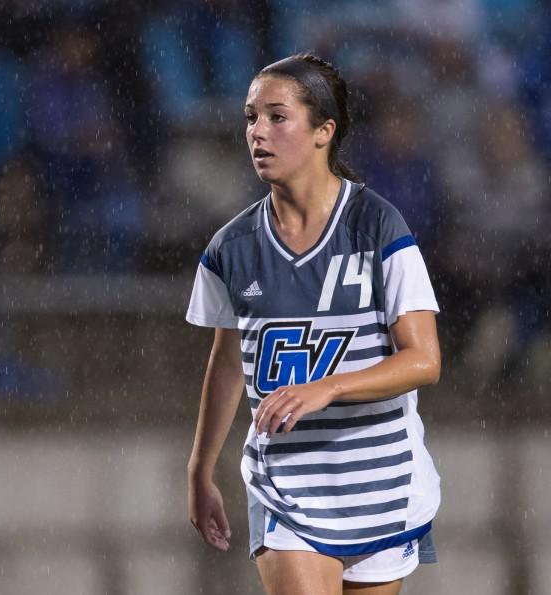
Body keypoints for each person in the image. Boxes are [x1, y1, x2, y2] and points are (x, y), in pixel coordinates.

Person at [185, 54, 442, 595]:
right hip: (286, 485)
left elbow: (424, 360)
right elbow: (229, 361)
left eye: (278, 117)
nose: (258, 131)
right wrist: (200, 467)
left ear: (325, 131)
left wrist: (328, 388)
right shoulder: (231, 248)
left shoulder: (378, 226)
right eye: (251, 117)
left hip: (380, 479)